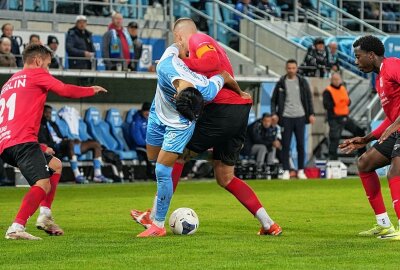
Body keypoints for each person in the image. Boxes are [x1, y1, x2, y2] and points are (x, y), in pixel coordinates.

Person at [132, 18, 282, 237]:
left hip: (221, 111)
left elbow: (211, 63)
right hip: (238, 112)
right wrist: (240, 93)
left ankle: (155, 218)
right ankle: (269, 224)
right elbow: (224, 74)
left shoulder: (199, 39)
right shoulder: (204, 52)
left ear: (179, 37)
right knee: (225, 177)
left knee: (177, 156)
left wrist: (186, 65)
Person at [0, 44, 107, 240]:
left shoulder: (9, 82)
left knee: (56, 165)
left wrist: (39, 146)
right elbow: (65, 90)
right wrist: (90, 89)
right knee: (42, 183)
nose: (48, 70)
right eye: (48, 65)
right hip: (22, 141)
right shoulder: (36, 74)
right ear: (38, 61)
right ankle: (16, 227)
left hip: (7, 142)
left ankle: (45, 216)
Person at [135, 42, 242, 238]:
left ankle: (157, 224)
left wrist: (241, 93)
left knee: (162, 170)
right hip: (157, 115)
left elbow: (226, 77)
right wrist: (183, 49)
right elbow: (177, 44)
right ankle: (152, 212)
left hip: (180, 125)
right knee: (153, 157)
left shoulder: (205, 88)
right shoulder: (165, 66)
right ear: (176, 96)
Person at [339, 35, 400, 241]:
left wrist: (396, 124)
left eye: (358, 57)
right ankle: (384, 224)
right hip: (398, 128)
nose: (356, 62)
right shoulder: (379, 78)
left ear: (371, 55)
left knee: (395, 171)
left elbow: (395, 121)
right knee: (365, 163)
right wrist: (365, 139)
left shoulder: (393, 66)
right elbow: (391, 119)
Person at [38, 105, 113, 184]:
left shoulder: (53, 124)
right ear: (41, 113)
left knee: (96, 144)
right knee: (70, 143)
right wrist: (63, 142)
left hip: (65, 144)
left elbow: (61, 136)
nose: (48, 115)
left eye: (49, 113)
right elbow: (43, 141)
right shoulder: (39, 126)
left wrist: (69, 139)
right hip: (55, 148)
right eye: (46, 112)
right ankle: (77, 175)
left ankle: (97, 175)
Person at [271, 59, 315, 180]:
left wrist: (311, 113)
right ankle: (286, 170)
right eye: (289, 68)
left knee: (301, 145)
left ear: (296, 69)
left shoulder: (302, 82)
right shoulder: (280, 82)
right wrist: (274, 113)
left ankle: (301, 170)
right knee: (286, 145)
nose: (291, 70)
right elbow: (273, 100)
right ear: (286, 69)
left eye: (293, 68)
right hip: (286, 117)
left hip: (300, 117)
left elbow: (308, 98)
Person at [323, 72, 365, 160]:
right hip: (334, 118)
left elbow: (348, 101)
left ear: (341, 80)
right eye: (334, 79)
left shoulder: (343, 88)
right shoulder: (328, 90)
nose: (336, 81)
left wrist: (343, 101)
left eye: (338, 79)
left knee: (360, 131)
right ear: (331, 80)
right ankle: (333, 159)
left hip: (345, 117)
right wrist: (338, 102)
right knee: (334, 138)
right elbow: (326, 105)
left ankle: (362, 154)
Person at [129, 102, 152, 178]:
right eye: (146, 111)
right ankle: (151, 173)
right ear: (142, 111)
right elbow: (138, 140)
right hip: (138, 147)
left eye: (150, 111)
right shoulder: (136, 122)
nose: (148, 113)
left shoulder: (150, 121)